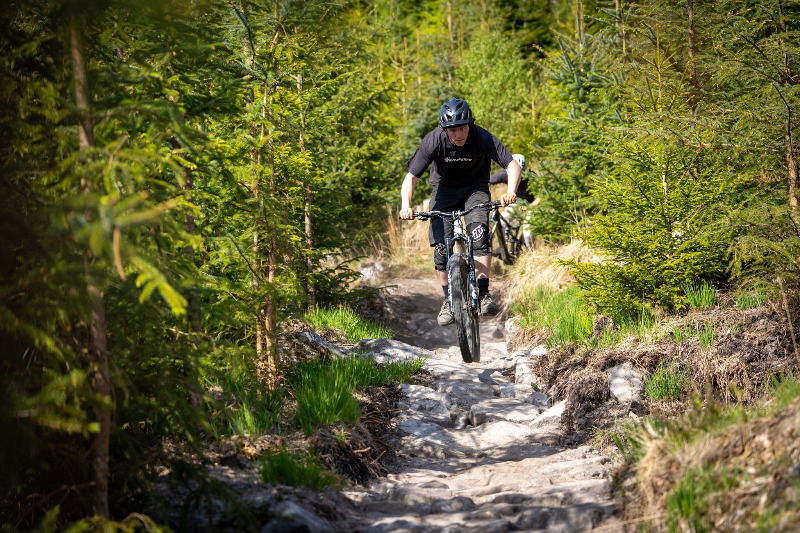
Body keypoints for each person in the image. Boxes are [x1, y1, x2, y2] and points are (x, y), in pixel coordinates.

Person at [399, 97, 521, 327]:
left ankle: (483, 294)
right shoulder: (433, 140)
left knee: (479, 234)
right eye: (453, 130)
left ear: (469, 125)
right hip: (444, 190)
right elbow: (411, 177)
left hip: (475, 188)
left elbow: (512, 165)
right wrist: (406, 206)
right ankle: (448, 300)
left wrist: (510, 191)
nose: (458, 134)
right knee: (441, 248)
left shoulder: (482, 137)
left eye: (462, 128)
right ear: (443, 129)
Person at [490, 153, 535, 248]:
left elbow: (541, 196)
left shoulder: (532, 177)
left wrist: (529, 207)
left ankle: (531, 252)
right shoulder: (503, 174)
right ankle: (504, 246)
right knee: (502, 221)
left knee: (528, 232)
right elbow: (487, 181)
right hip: (515, 203)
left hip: (531, 205)